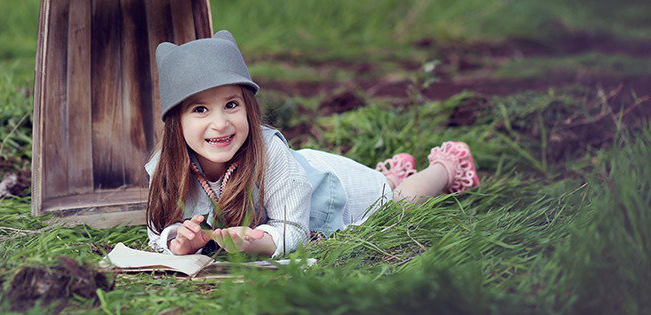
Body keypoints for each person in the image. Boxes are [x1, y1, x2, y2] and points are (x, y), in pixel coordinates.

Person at [145, 30, 480, 258]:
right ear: (176, 122)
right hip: (302, 174)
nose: (220, 123)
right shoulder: (165, 165)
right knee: (385, 191)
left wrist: (254, 242)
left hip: (330, 190)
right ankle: (394, 173)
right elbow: (159, 228)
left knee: (395, 203)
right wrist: (178, 241)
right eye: (200, 109)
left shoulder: (269, 152)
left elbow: (293, 230)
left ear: (248, 107)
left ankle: (447, 166)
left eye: (231, 105)